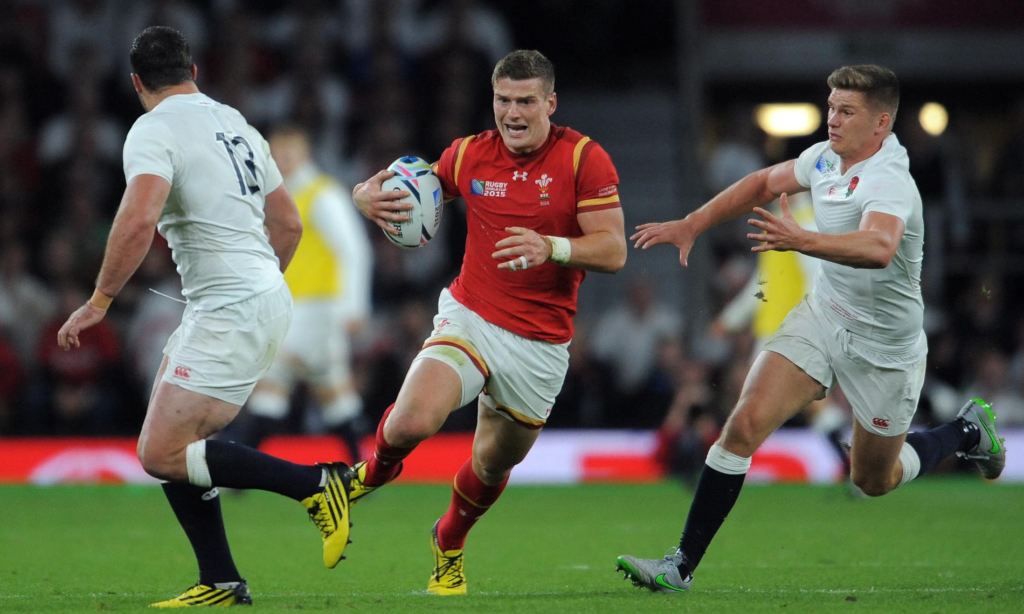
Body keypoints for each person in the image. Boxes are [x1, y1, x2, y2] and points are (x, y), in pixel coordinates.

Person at [615, 65, 1006, 593]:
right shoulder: (824, 159)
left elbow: (879, 246)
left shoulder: (890, 179)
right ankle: (679, 566)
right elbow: (761, 183)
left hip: (885, 346)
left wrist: (802, 240)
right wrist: (693, 223)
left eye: (847, 111)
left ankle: (966, 431)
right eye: (831, 108)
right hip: (823, 316)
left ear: (881, 123)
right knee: (743, 425)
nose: (832, 120)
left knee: (873, 479)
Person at [56, 27, 353, 608]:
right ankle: (220, 579)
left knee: (161, 452)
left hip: (230, 305)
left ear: (137, 82)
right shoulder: (236, 122)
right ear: (193, 70)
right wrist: (261, 287)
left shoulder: (153, 129)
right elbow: (288, 224)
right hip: (249, 296)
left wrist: (99, 301)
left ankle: (317, 485)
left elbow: (138, 218)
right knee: (172, 446)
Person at [349, 49, 626, 595]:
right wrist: (363, 196)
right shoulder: (470, 154)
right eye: (503, 100)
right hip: (471, 315)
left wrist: (551, 246)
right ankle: (359, 482)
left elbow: (613, 250)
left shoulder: (583, 159)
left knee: (492, 466)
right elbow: (416, 186)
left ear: (550, 103)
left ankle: (448, 539)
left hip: (539, 342)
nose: (513, 113)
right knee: (411, 422)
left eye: (526, 101)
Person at [239, 125, 373, 463]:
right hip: (295, 306)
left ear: (305, 154)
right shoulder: (282, 197)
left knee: (272, 383)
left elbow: (353, 249)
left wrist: (354, 306)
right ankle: (364, 466)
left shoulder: (322, 194)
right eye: (277, 154)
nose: (282, 161)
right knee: (332, 392)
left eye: (289, 153)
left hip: (316, 308)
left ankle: (237, 468)